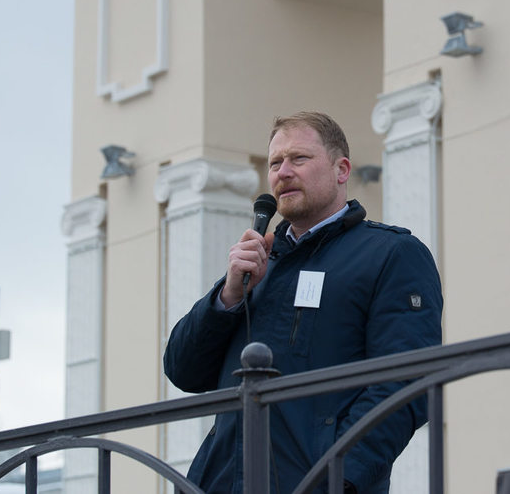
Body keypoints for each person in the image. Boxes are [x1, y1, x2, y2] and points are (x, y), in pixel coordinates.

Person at [164, 111, 443, 494]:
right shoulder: (257, 265)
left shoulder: (391, 254)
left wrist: (337, 476)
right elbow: (182, 371)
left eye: (299, 158)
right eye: (275, 163)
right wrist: (228, 296)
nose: (283, 172)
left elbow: (407, 383)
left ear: (341, 170)